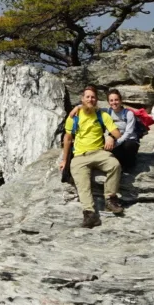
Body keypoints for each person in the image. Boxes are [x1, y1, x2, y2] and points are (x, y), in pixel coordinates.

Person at [57, 86, 123, 228]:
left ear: (96, 100)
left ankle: (110, 198)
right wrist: (64, 159)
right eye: (87, 97)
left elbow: (117, 133)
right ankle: (90, 214)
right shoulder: (74, 117)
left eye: (93, 97)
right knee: (82, 181)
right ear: (82, 99)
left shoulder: (102, 115)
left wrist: (110, 137)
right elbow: (67, 139)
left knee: (114, 165)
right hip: (80, 155)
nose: (90, 99)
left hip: (99, 152)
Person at [104, 89, 141, 177]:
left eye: (116, 100)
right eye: (111, 100)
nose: (114, 102)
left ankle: (130, 164)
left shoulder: (128, 114)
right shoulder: (108, 113)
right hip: (115, 139)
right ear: (108, 102)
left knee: (128, 145)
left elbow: (129, 132)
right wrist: (107, 138)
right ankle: (120, 164)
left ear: (120, 100)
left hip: (129, 140)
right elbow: (106, 128)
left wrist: (117, 142)